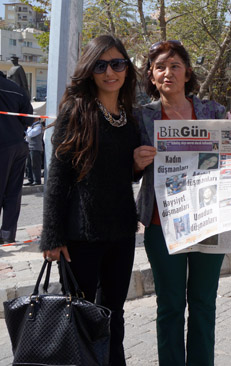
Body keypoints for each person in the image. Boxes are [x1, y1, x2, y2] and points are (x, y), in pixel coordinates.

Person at [134, 40, 231, 365]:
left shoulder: (214, 112)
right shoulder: (141, 117)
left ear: (187, 72)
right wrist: (134, 162)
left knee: (203, 303)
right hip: (163, 223)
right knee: (170, 305)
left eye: (175, 65)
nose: (168, 72)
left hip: (210, 219)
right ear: (151, 74)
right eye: (160, 66)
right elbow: (128, 172)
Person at [40, 35, 142, 366]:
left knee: (114, 314)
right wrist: (52, 237)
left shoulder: (130, 116)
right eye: (101, 65)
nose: (110, 71)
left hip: (122, 232)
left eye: (117, 64)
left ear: (126, 68)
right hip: (81, 235)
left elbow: (121, 174)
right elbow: (58, 177)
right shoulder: (77, 111)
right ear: (90, 70)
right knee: (81, 315)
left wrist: (137, 166)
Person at [0, 67, 32, 244]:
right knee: (13, 193)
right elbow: (28, 119)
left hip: (2, 147)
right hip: (19, 146)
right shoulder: (16, 89)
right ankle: (7, 235)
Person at [24, 119, 44, 186]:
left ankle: (37, 180)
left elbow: (30, 134)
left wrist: (29, 128)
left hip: (35, 148)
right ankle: (30, 180)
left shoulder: (39, 126)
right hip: (29, 148)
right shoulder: (32, 126)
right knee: (28, 165)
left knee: (35, 165)